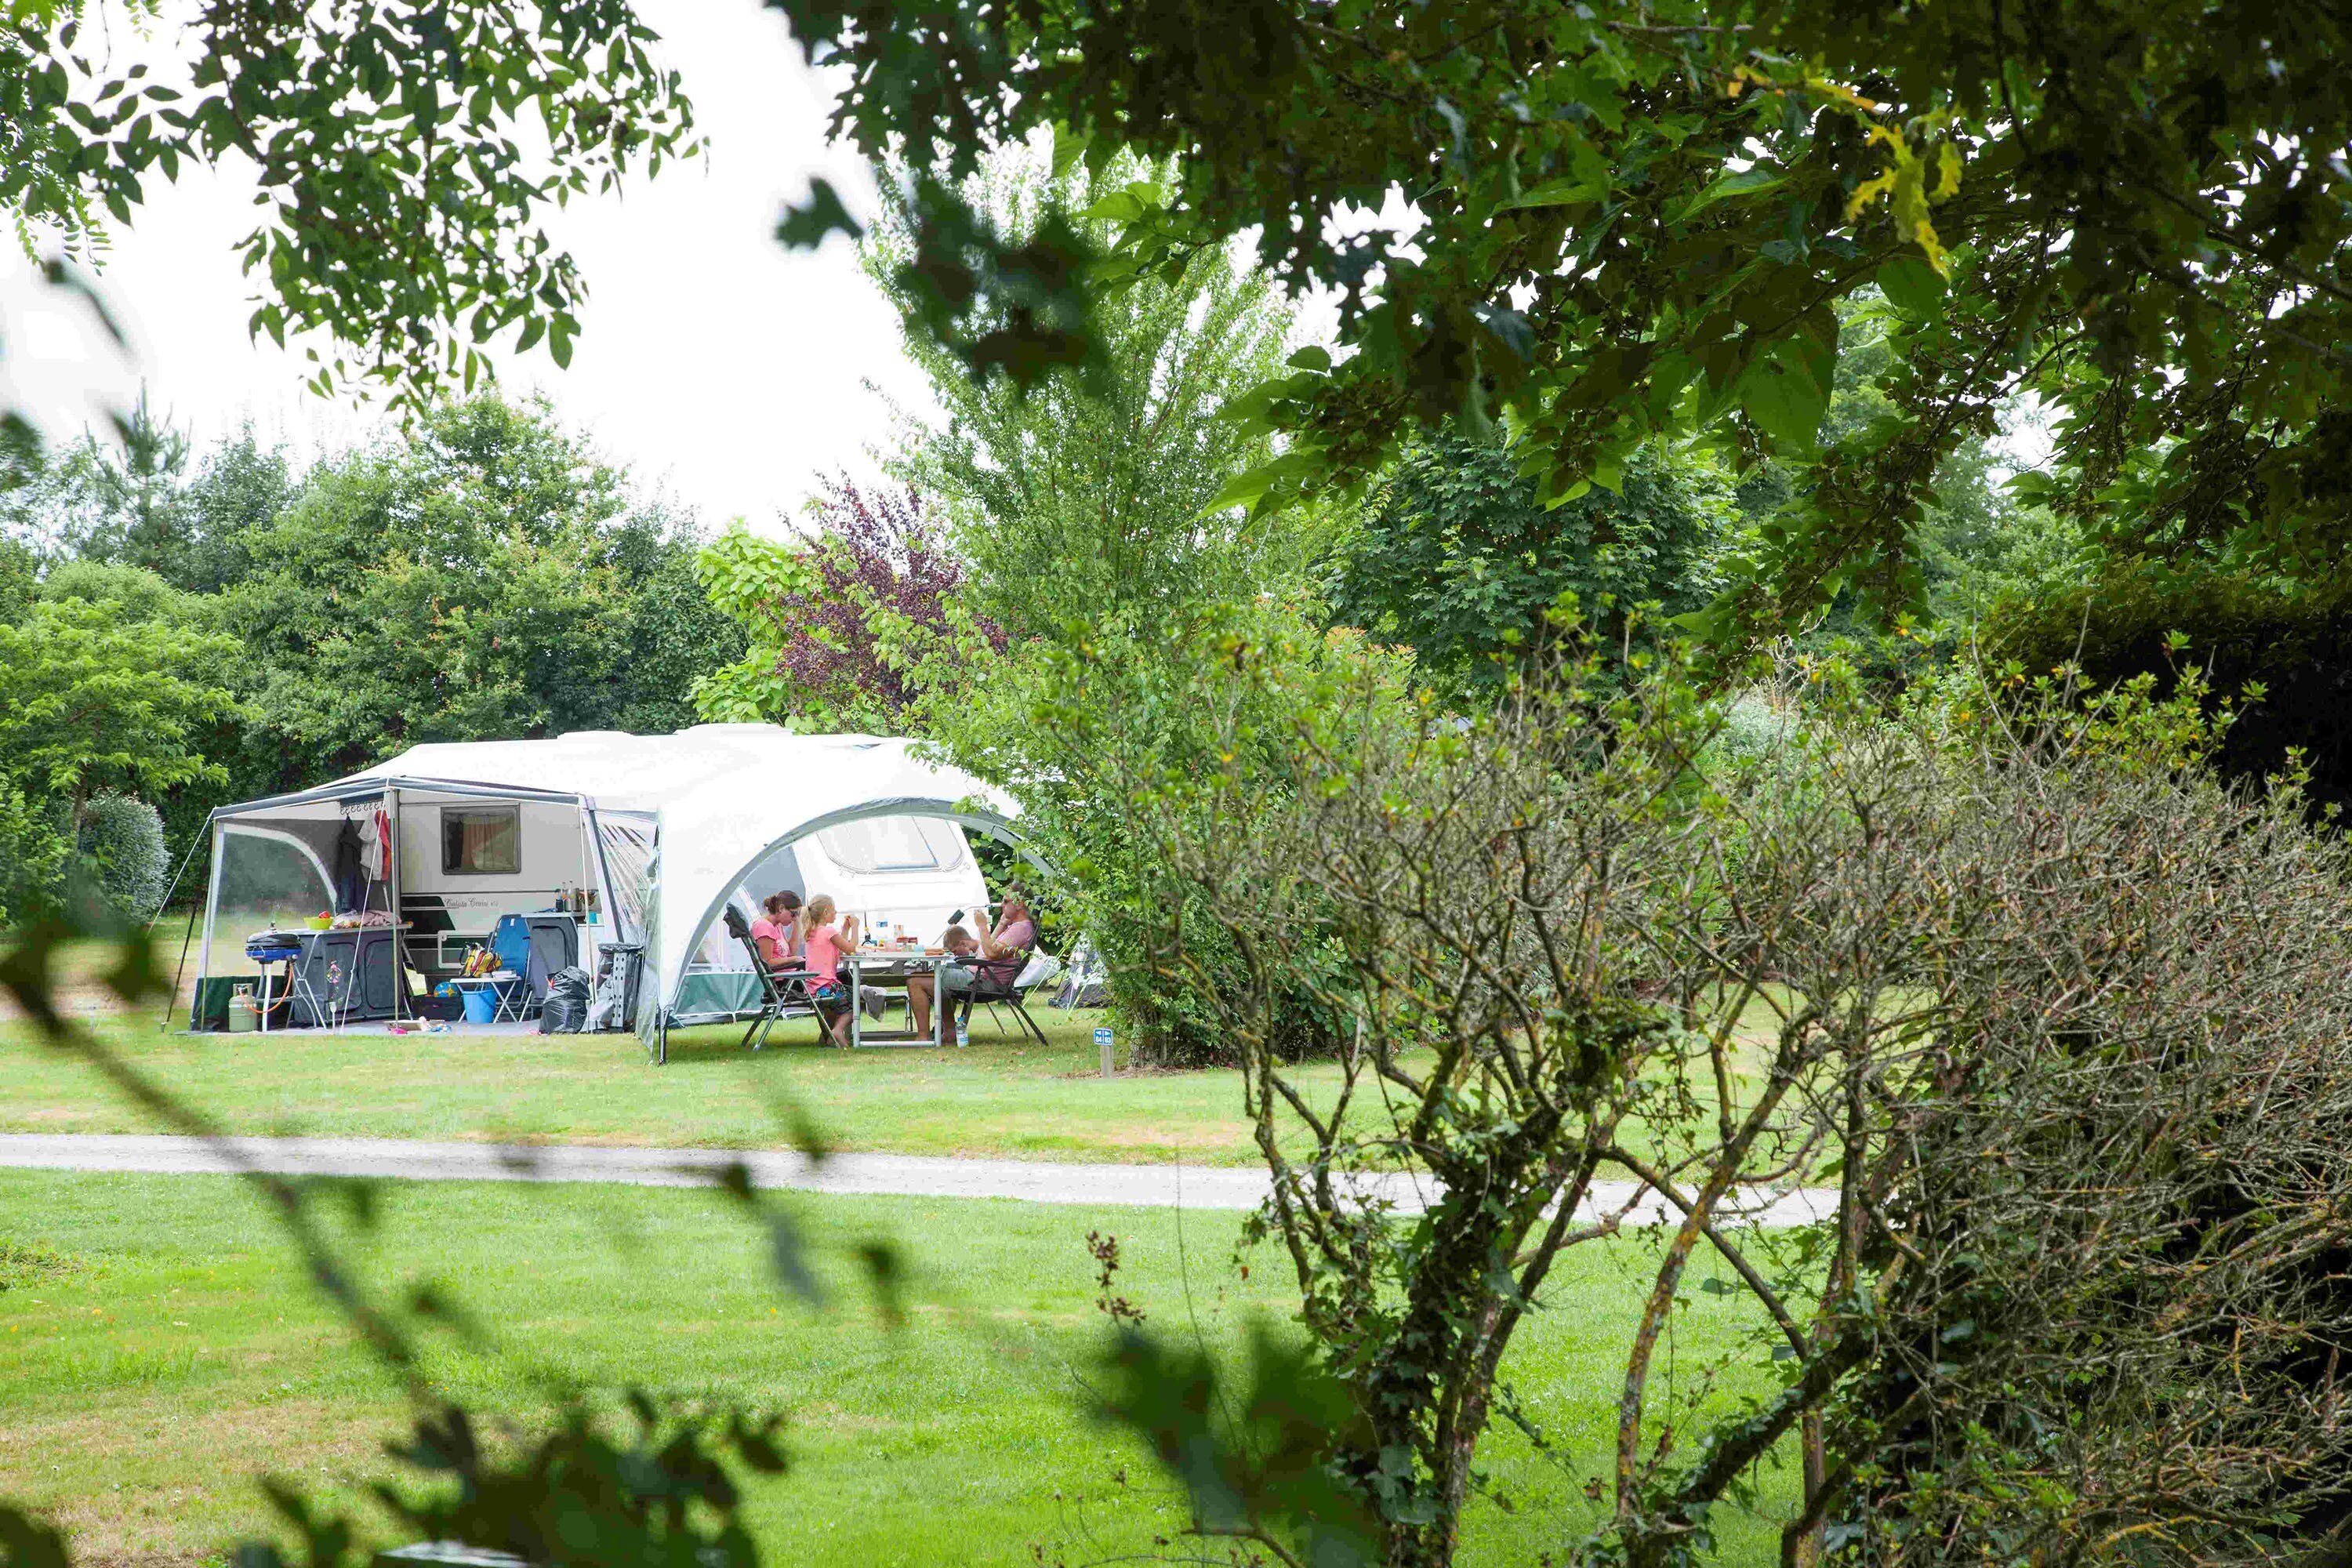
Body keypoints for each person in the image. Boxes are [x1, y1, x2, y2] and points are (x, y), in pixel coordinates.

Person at [908, 895, 1036, 1040]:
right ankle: (949, 1032)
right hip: (980, 977)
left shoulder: (1020, 929)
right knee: (930, 979)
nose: (1001, 905)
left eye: (1006, 902)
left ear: (1019, 904)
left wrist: (982, 926)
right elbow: (988, 948)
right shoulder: (1016, 927)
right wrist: (1001, 923)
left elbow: (991, 953)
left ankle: (923, 1036)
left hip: (983, 982)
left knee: (916, 981)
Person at [797, 894, 860, 1046]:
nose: (836, 913)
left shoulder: (811, 932)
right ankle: (837, 1030)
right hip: (827, 985)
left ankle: (828, 1037)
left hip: (813, 987)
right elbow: (850, 949)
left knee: (840, 1002)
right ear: (825, 912)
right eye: (833, 910)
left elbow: (840, 948)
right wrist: (855, 927)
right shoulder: (828, 931)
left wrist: (845, 929)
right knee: (856, 1001)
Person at [750, 891, 802, 969]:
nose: (794, 918)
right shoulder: (764, 926)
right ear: (781, 908)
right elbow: (767, 962)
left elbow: (791, 953)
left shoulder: (777, 926)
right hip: (780, 979)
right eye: (793, 914)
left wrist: (797, 923)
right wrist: (794, 960)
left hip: (789, 976)